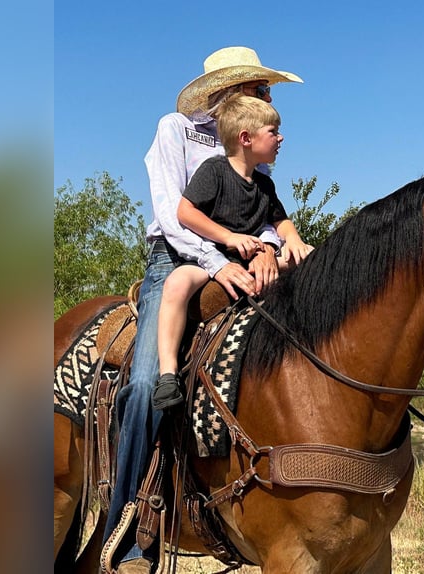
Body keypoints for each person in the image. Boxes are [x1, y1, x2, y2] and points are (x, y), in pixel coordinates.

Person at [101, 47, 303, 574]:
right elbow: (172, 215)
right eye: (261, 89)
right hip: (177, 262)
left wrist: (269, 252)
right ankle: (127, 533)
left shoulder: (247, 152)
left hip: (238, 259)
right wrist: (218, 262)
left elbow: (262, 218)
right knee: (146, 383)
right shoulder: (174, 129)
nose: (267, 98)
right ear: (232, 90)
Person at [153, 94, 312, 409]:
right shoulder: (214, 170)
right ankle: (168, 373)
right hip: (208, 256)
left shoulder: (264, 184)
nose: (281, 138)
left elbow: (280, 220)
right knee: (177, 283)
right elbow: (184, 212)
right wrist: (229, 237)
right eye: (273, 131)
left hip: (245, 261)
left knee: (308, 261)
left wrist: (294, 240)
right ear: (246, 139)